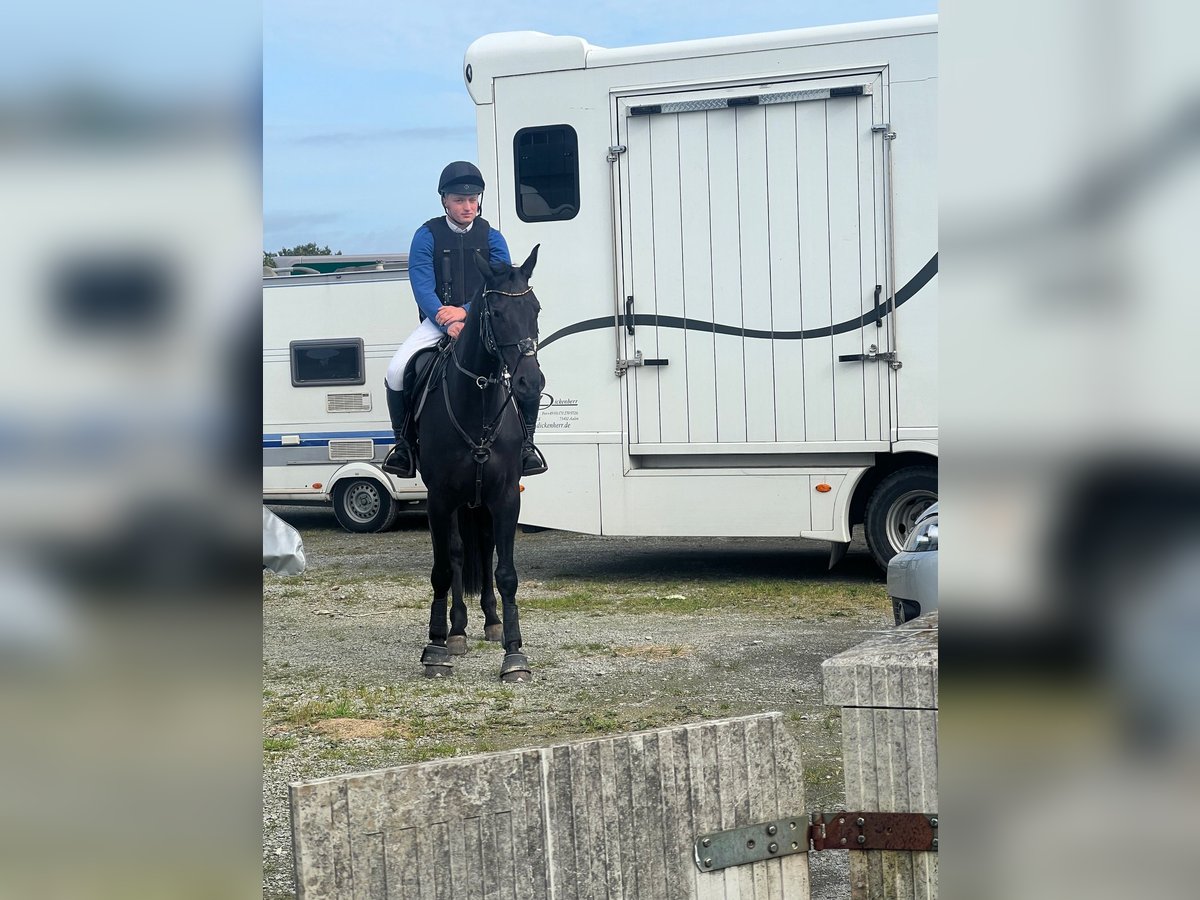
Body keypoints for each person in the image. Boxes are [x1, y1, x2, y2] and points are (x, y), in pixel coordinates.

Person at [382, 161, 547, 478]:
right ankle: (403, 446)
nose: (468, 206)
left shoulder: (493, 237)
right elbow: (422, 286)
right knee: (395, 370)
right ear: (445, 200)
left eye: (473, 200)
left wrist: (466, 312)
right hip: (437, 320)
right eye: (459, 200)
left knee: (526, 368)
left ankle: (526, 445)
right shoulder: (426, 235)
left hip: (483, 318)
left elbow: (502, 283)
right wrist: (447, 321)